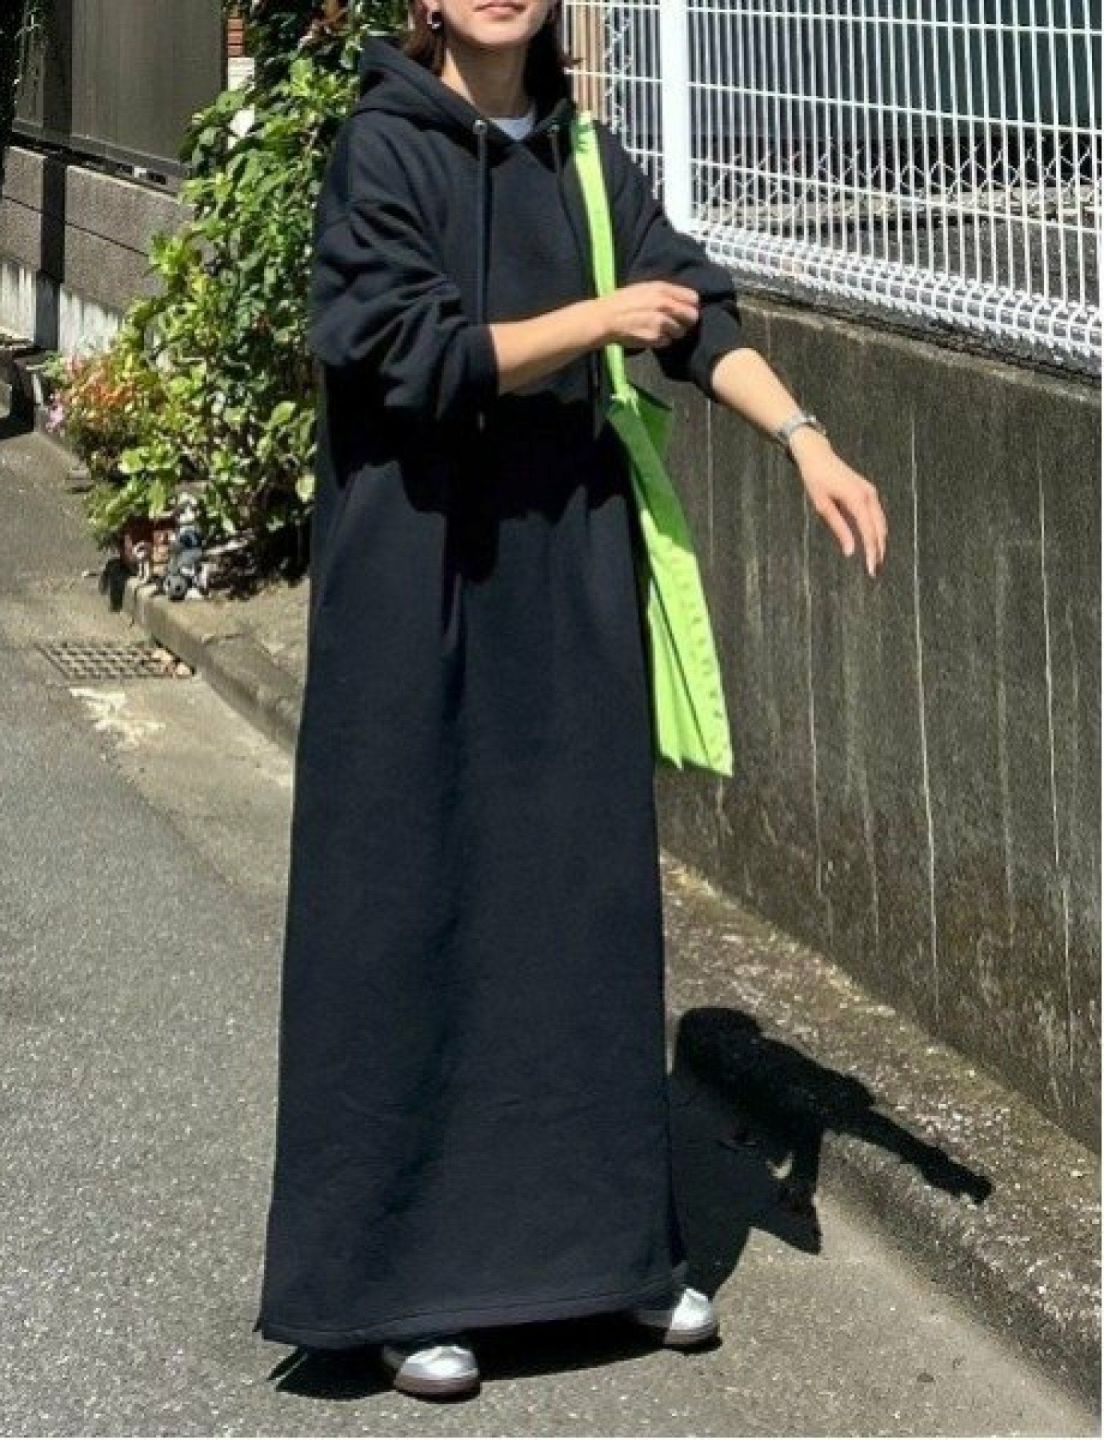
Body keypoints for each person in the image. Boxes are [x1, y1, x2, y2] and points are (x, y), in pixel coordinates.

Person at [254, 0, 888, 1402]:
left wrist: (806, 439)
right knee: (413, 904)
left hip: (566, 581)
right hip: (418, 591)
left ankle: (605, 1259)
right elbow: (405, 353)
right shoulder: (382, 147)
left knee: (580, 903)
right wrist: (599, 319)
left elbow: (693, 308)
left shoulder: (586, 159)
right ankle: (406, 1285)